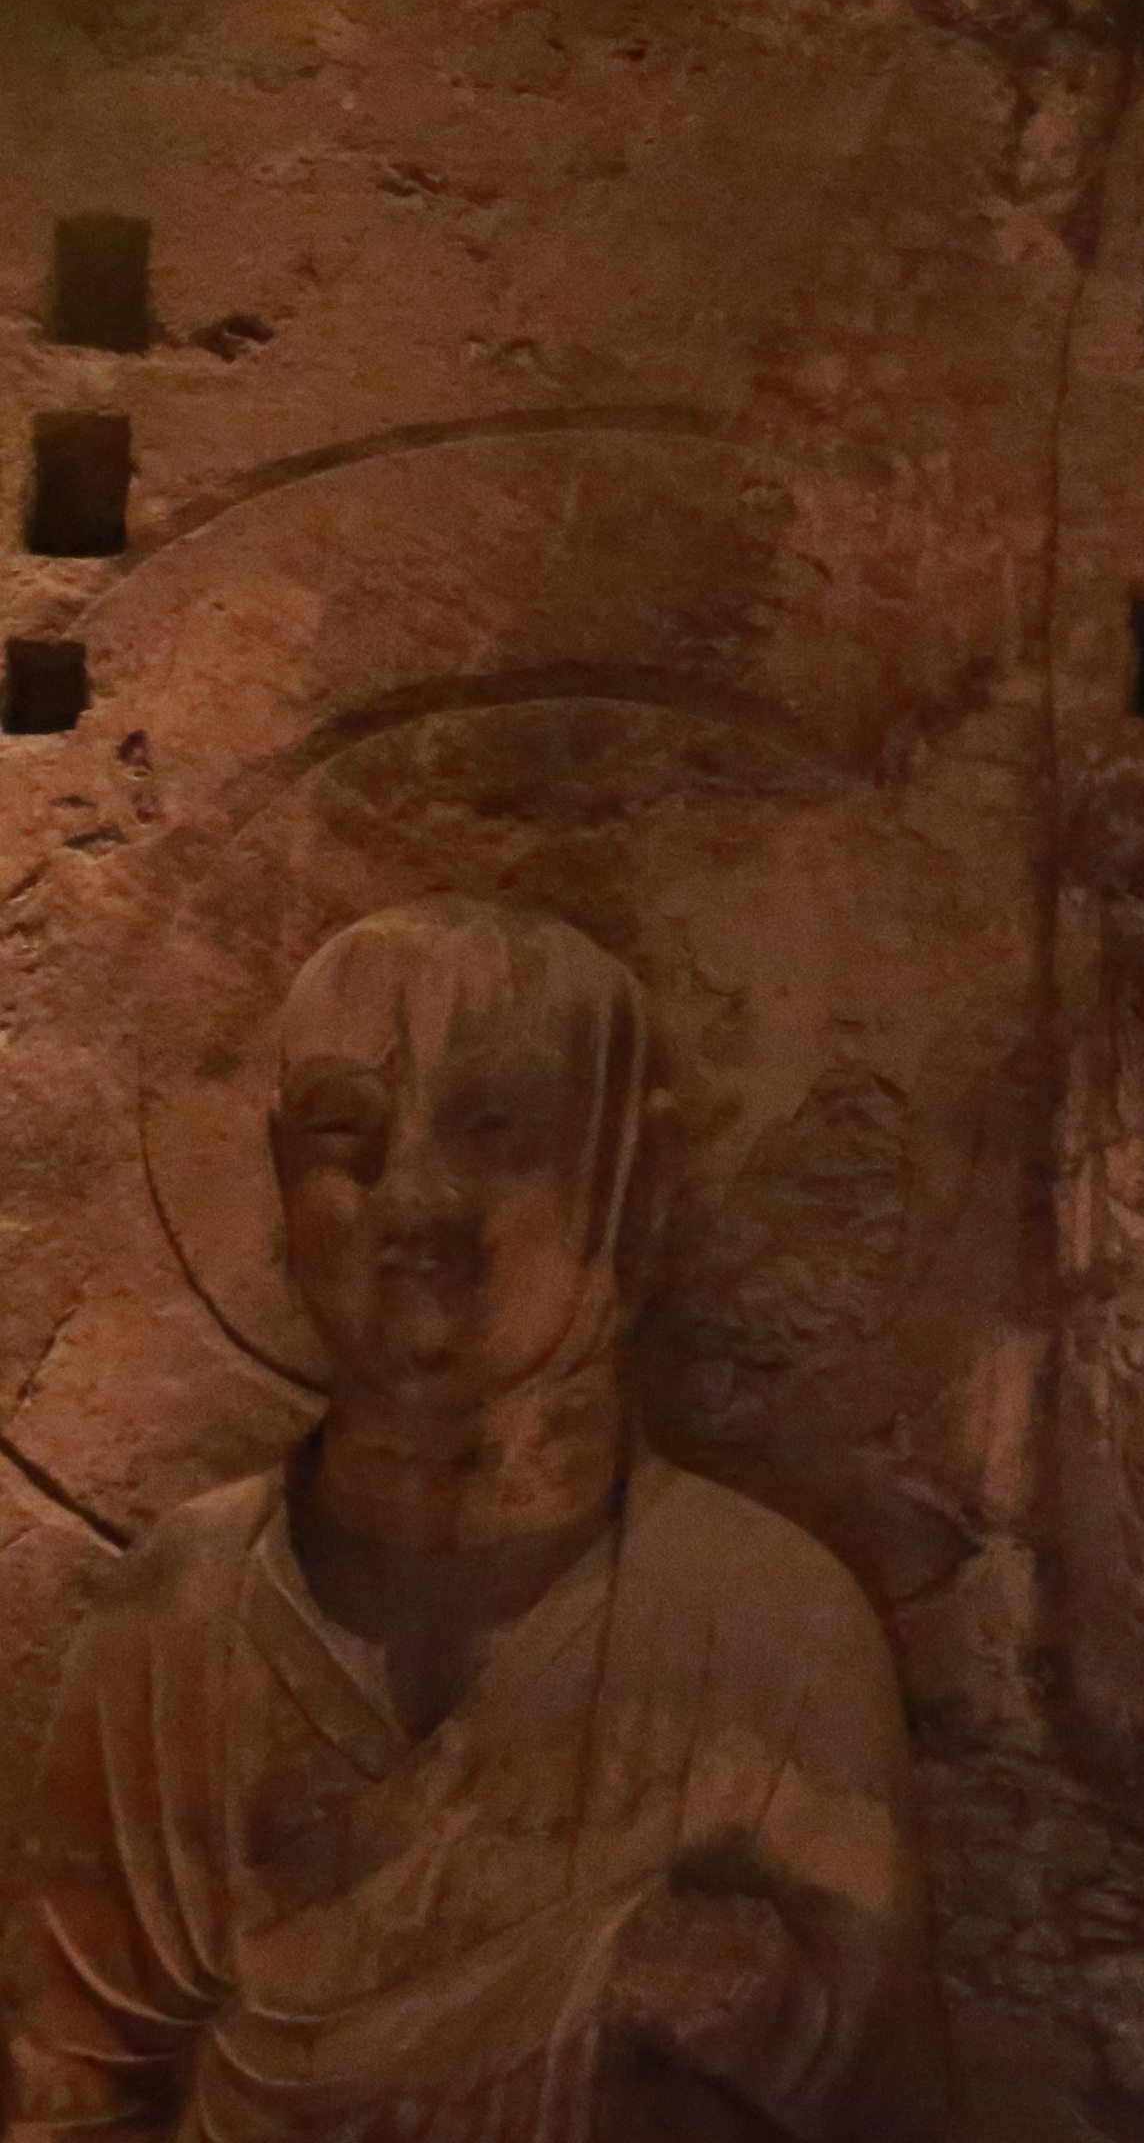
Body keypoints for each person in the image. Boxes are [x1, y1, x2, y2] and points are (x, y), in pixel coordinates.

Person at [7, 899, 937, 2143]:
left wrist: (730, 1985)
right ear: (281, 1178)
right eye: (349, 1133)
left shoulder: (771, 1621)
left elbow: (889, 2109)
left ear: (629, 1179)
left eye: (495, 1127)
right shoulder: (175, 1618)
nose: (415, 1199)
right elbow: (65, 2092)